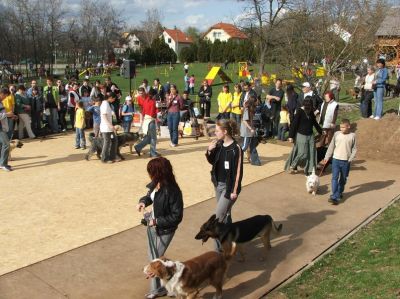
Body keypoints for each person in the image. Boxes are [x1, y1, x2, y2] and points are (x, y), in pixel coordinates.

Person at [136, 157, 183, 299]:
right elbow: (150, 196)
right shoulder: (155, 184)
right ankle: (165, 285)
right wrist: (143, 202)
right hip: (153, 226)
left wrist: (156, 221)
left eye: (151, 171)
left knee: (154, 261)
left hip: (165, 229)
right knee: (154, 259)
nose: (149, 174)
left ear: (158, 172)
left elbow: (177, 216)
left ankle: (158, 290)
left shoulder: (173, 191)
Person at [206, 119, 243, 226]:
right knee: (225, 214)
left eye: (217, 130)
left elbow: (238, 172)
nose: (215, 133)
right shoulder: (219, 144)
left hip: (229, 187)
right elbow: (212, 161)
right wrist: (209, 150)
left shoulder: (236, 149)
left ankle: (220, 242)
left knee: (217, 218)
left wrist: (234, 191)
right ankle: (229, 239)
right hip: (218, 184)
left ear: (225, 131)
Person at [285, 97, 322, 175]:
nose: (311, 107)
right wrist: (291, 136)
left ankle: (310, 170)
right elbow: (294, 124)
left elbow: (315, 123)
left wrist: (321, 131)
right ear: (306, 105)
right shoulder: (300, 112)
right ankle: (293, 164)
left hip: (310, 135)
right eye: (309, 106)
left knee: (312, 152)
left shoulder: (311, 112)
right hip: (301, 135)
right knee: (302, 153)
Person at [323, 119, 357, 205]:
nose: (341, 129)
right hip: (336, 160)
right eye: (340, 127)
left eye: (343, 127)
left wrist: (350, 159)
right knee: (334, 178)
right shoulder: (336, 134)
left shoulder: (352, 136)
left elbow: (354, 149)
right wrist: (327, 157)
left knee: (343, 179)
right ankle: (334, 196)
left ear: (348, 126)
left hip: (346, 161)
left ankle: (339, 192)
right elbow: (331, 146)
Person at [134, 88, 160, 158]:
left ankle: (138, 147)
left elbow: (143, 111)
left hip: (146, 121)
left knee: (148, 137)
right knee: (153, 138)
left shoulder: (145, 101)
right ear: (154, 95)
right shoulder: (153, 102)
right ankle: (153, 153)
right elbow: (155, 113)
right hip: (151, 121)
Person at [241, 97, 261, 166]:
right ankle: (235, 156)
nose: (257, 102)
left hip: (251, 131)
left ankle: (255, 161)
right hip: (246, 131)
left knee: (252, 145)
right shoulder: (247, 110)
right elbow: (244, 121)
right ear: (253, 102)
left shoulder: (252, 109)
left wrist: (253, 128)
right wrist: (251, 128)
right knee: (245, 146)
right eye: (256, 101)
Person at [100, 92, 118, 163]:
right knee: (107, 142)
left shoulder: (107, 104)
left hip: (108, 127)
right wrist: (110, 125)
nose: (114, 100)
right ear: (110, 98)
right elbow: (104, 116)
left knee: (114, 140)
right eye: (113, 99)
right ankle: (104, 158)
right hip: (106, 127)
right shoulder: (105, 104)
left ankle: (112, 157)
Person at [0, 88, 15, 172]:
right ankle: (3, 164)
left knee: (1, 145)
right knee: (6, 144)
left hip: (1, 126)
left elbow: (2, 115)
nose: (5, 98)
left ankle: (1, 163)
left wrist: (10, 116)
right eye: (5, 96)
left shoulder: (1, 102)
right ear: (2, 93)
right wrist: (7, 114)